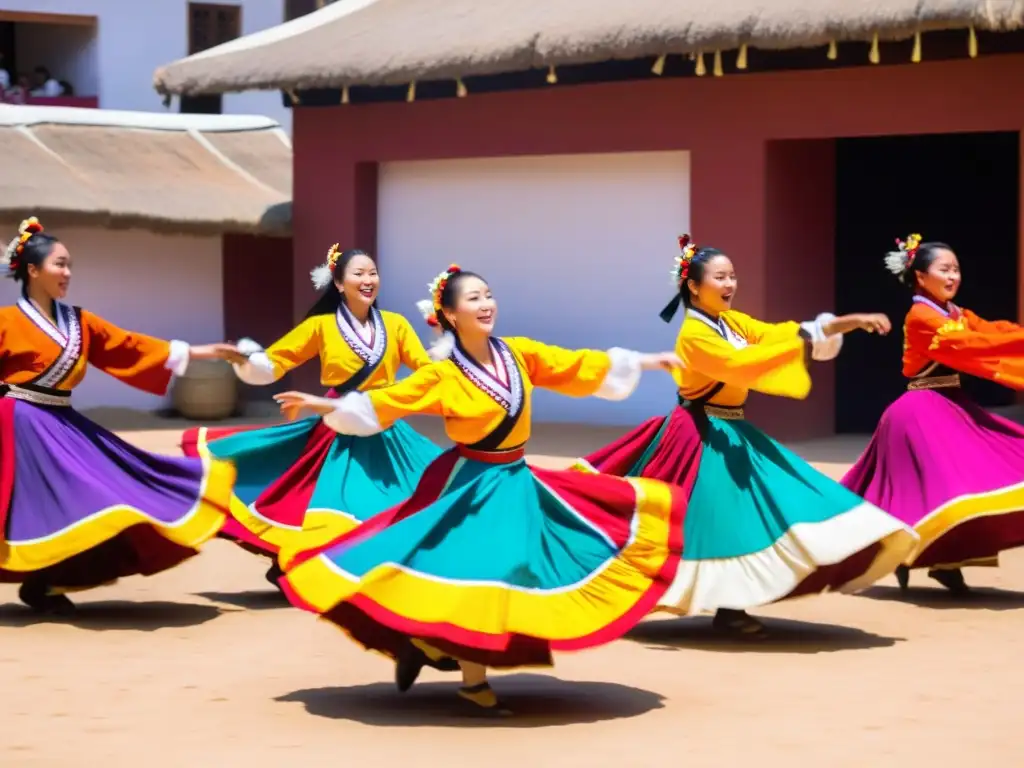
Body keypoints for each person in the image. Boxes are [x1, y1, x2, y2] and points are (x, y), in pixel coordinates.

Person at [273, 264, 687, 715]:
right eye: (472, 298)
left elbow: (575, 365)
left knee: (520, 568)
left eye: (487, 294)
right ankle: (472, 682)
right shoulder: (445, 375)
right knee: (483, 572)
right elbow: (390, 400)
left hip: (516, 480)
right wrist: (326, 404)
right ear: (449, 315)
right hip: (473, 486)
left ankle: (428, 646)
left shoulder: (520, 353)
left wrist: (645, 361)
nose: (485, 303)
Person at [573, 235, 918, 637]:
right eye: (720, 276)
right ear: (694, 286)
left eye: (733, 276)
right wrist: (802, 340)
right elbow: (737, 363)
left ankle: (730, 605)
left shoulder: (731, 323)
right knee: (706, 520)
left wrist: (849, 322)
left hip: (730, 428)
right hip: (698, 434)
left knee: (767, 502)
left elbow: (776, 335)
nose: (730, 283)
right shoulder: (694, 335)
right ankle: (710, 605)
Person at [0, 217, 242, 615]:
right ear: (32, 270)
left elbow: (130, 348)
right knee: (28, 504)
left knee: (95, 494)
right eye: (59, 264)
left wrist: (205, 352)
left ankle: (45, 581)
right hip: (18, 423)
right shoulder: (7, 322)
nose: (67, 273)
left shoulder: (78, 322)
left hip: (60, 423)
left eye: (70, 265)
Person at [181, 246, 441, 587]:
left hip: (382, 422)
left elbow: (426, 372)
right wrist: (245, 360)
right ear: (338, 283)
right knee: (318, 499)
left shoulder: (396, 325)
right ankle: (298, 563)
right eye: (358, 273)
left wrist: (446, 351)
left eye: (372, 273)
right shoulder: (320, 326)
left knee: (413, 491)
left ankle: (370, 568)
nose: (368, 280)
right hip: (334, 428)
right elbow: (276, 360)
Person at [842, 235, 1024, 594]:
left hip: (950, 404)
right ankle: (912, 556)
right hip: (919, 412)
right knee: (941, 488)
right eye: (944, 269)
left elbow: (991, 331)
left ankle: (942, 561)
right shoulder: (921, 317)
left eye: (956, 269)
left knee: (976, 475)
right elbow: (971, 346)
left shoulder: (956, 313)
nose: (953, 276)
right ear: (921, 277)